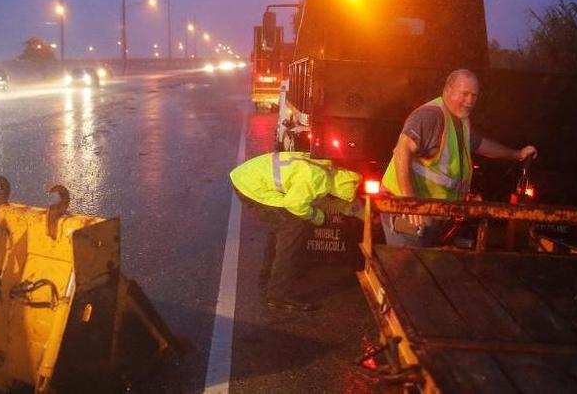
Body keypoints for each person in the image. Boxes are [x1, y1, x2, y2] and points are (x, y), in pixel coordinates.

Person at [381, 69, 537, 247]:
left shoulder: (459, 120)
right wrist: (409, 201)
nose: (470, 101)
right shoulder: (431, 116)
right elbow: (401, 151)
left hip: (430, 214)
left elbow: (479, 144)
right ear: (448, 90)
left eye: (474, 96)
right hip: (404, 212)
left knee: (424, 267)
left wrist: (517, 154)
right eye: (464, 94)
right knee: (407, 270)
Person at [229, 151, 361, 312]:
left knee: (281, 224)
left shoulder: (327, 169)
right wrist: (319, 218)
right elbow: (295, 205)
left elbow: (318, 200)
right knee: (293, 227)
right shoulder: (320, 179)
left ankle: (268, 278)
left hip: (247, 176)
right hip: (252, 186)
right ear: (340, 193)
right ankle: (279, 295)